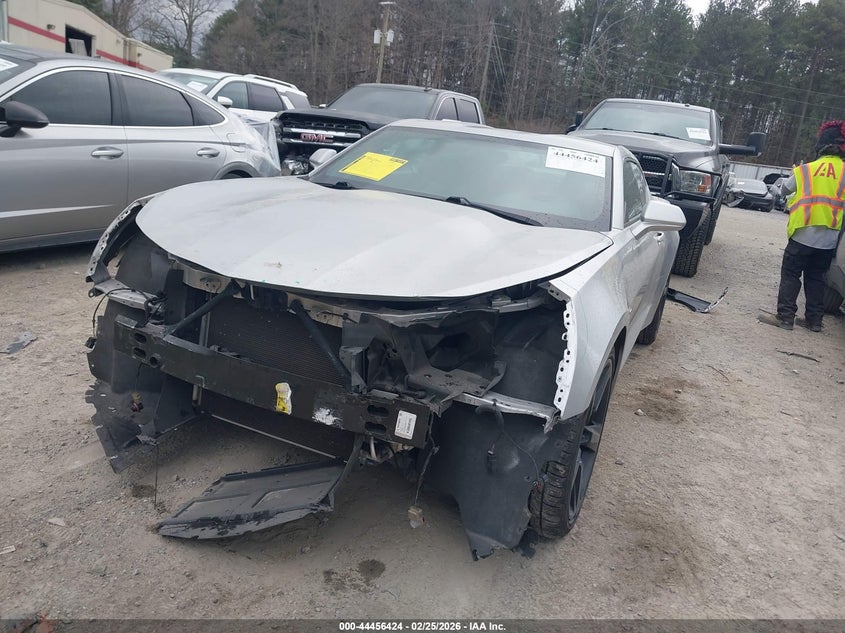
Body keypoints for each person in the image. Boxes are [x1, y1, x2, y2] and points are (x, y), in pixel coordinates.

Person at [758, 120, 845, 332]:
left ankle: (785, 317)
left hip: (802, 234)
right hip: (829, 239)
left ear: (821, 146)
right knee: (816, 278)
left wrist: (794, 173)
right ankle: (814, 321)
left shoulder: (806, 170)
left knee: (791, 274)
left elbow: (784, 190)